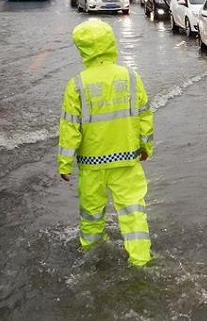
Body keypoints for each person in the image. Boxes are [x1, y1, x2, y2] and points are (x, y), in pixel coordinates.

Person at [57, 19, 154, 267]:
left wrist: (65, 164)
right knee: (134, 213)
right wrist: (146, 147)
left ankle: (90, 256)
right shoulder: (131, 77)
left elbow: (70, 128)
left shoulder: (77, 84)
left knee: (91, 215)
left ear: (82, 49)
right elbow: (144, 115)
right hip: (128, 161)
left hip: (91, 165)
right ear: (111, 42)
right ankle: (141, 259)